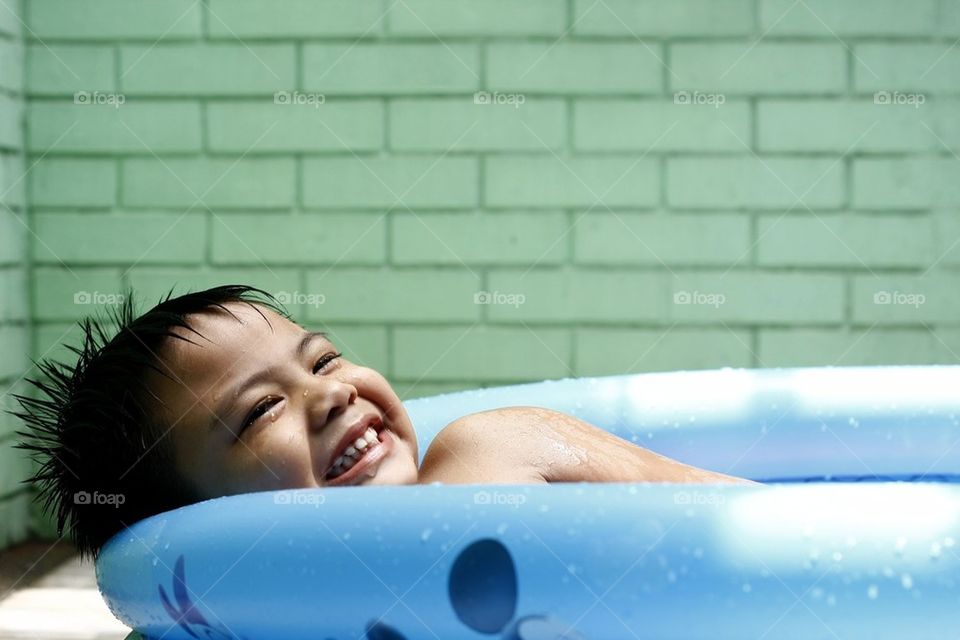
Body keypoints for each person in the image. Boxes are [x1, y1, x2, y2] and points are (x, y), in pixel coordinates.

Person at [11, 285, 753, 562]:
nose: (329, 394)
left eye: (324, 359)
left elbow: (747, 519)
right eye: (262, 408)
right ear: (193, 530)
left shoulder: (489, 455)